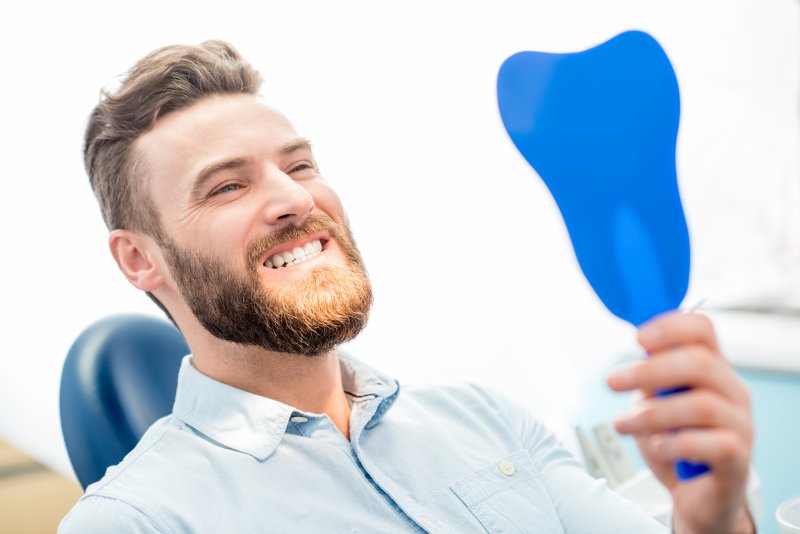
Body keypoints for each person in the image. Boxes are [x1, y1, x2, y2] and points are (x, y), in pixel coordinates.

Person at [59, 40, 755, 533]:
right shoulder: (136, 521)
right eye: (228, 185)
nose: (294, 200)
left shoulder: (487, 420)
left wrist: (715, 518)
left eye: (299, 167)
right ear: (138, 260)